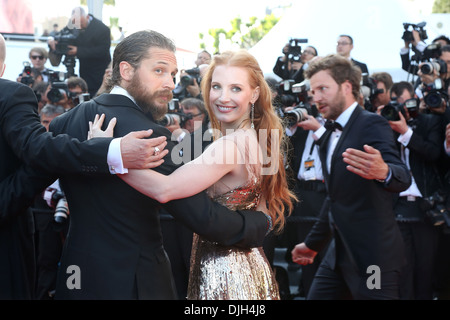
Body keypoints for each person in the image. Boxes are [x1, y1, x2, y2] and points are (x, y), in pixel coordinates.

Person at [48, 30, 272, 300]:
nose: (170, 83)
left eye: (173, 74)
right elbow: (200, 215)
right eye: (159, 71)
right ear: (126, 70)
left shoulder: (63, 123)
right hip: (134, 280)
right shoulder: (151, 135)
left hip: (76, 273)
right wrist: (259, 224)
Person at [91, 48, 296, 300]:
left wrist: (106, 152)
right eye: (216, 86)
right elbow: (263, 213)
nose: (223, 97)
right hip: (250, 267)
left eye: (236, 88)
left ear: (254, 94)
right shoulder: (259, 138)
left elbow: (164, 189)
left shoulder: (229, 145)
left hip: (225, 276)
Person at [0, 33, 167, 300]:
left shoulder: (58, 121)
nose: (170, 82)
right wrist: (108, 151)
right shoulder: (10, 95)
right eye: (160, 70)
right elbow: (37, 152)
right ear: (3, 68)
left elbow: (38, 157)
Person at [291, 54, 411, 300]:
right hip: (338, 256)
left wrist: (385, 172)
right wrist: (313, 244)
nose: (316, 97)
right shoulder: (329, 133)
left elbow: (403, 177)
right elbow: (335, 198)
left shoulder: (372, 124)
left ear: (346, 87)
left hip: (374, 258)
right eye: (313, 91)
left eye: (323, 88)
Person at [378, 81, 443, 299]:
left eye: (407, 102)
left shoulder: (430, 122)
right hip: (396, 206)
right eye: (397, 104)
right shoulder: (386, 125)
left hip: (425, 207)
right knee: (402, 270)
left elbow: (433, 153)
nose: (402, 109)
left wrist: (405, 132)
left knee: (425, 270)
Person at [48, 7, 111, 97]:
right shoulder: (73, 23)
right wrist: (51, 40)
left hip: (98, 72)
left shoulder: (102, 29)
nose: (79, 27)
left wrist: (78, 51)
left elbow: (102, 50)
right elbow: (61, 35)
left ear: (87, 17)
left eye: (81, 23)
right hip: (84, 71)